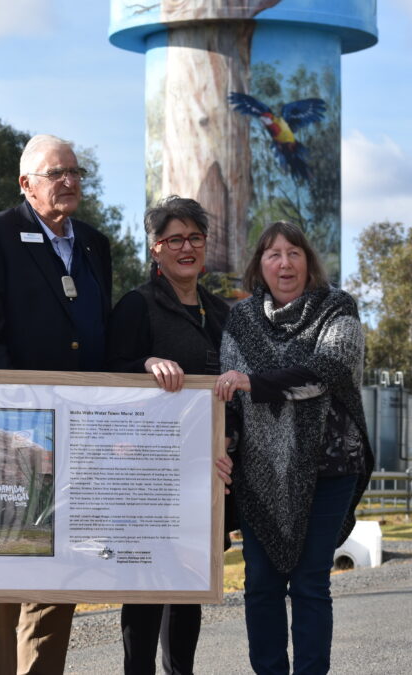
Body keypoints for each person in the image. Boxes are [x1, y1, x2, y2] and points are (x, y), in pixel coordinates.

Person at [0, 134, 112, 675]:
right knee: (7, 564)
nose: (68, 181)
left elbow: (99, 336)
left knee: (59, 572)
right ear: (26, 184)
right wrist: (19, 425)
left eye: (74, 171)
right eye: (55, 173)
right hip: (15, 430)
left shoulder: (95, 243)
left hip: (80, 434)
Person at [214, 221, 374, 675]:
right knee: (261, 584)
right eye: (273, 254)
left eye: (294, 253)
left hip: (329, 467)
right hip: (259, 469)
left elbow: (328, 369)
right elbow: (230, 398)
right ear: (259, 266)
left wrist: (256, 382)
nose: (284, 263)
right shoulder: (241, 321)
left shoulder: (337, 308)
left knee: (308, 583)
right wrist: (224, 442)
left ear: (309, 261)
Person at [106, 196, 230, 675]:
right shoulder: (136, 307)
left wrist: (226, 447)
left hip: (204, 473)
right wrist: (145, 364)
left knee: (187, 590)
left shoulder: (222, 314)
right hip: (146, 475)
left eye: (195, 238)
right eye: (174, 239)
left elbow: (232, 388)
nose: (186, 247)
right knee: (145, 588)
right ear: (155, 249)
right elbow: (109, 377)